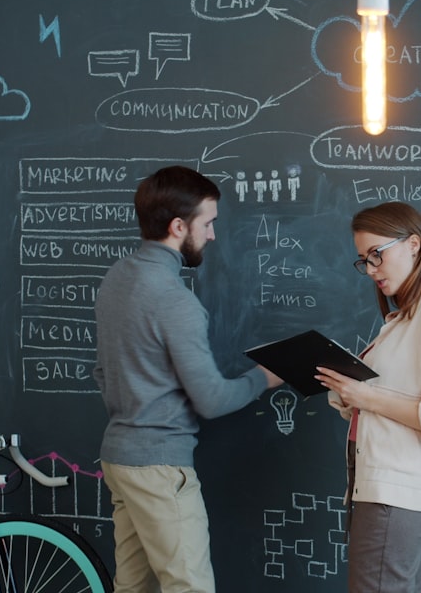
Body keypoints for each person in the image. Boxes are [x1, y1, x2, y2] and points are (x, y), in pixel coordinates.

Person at [93, 165, 282, 593]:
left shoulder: (115, 280)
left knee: (133, 587)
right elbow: (211, 400)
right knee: (189, 586)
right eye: (208, 223)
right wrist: (264, 378)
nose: (213, 235)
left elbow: (104, 372)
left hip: (120, 459)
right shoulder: (176, 302)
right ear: (179, 226)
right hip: (159, 466)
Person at [315, 201, 421, 593]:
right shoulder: (408, 315)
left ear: (413, 245)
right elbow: (392, 396)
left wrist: (365, 396)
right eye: (363, 260)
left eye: (377, 254)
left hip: (397, 492)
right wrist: (349, 392)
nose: (371, 269)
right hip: (384, 487)